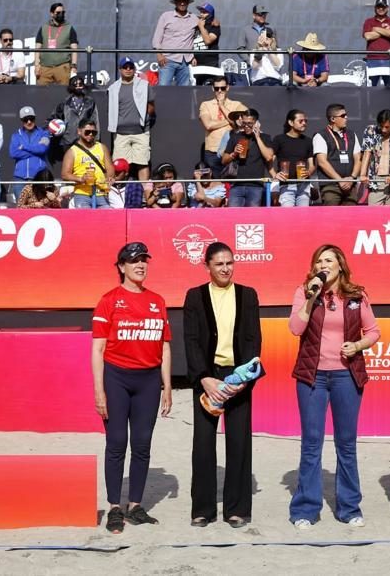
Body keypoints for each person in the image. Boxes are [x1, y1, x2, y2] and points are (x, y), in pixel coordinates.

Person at [288, 244, 381, 528]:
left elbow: (374, 331)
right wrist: (309, 297)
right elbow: (295, 329)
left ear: (340, 264)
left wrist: (358, 345)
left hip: (346, 376)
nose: (323, 265)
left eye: (328, 260)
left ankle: (350, 508)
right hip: (312, 376)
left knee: (346, 444)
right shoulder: (305, 291)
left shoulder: (356, 295)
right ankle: (305, 509)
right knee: (311, 444)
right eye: (319, 261)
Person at [92, 242, 172, 534]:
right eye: (134, 260)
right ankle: (115, 507)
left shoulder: (157, 301)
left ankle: (135, 506)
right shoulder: (108, 300)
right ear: (121, 266)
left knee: (141, 444)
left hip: (149, 381)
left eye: (144, 260)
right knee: (116, 443)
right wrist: (99, 390)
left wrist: (167, 385)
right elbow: (98, 348)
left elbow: (164, 345)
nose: (140, 265)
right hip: (117, 378)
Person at [183, 242, 262, 529]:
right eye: (219, 264)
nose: (225, 268)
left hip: (239, 377)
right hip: (207, 377)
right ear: (207, 267)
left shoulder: (248, 294)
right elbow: (190, 340)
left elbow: (254, 339)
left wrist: (243, 380)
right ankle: (203, 509)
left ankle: (236, 508)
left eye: (229, 262)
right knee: (203, 444)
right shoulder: (194, 296)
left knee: (239, 442)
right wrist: (204, 378)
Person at [108, 57, 153, 182]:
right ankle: (119, 193)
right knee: (119, 165)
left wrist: (144, 118)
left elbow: (151, 105)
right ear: (120, 69)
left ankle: (145, 191)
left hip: (141, 131)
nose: (128, 70)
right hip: (121, 133)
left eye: (131, 67)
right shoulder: (113, 88)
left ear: (134, 69)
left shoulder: (144, 85)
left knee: (142, 163)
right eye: (125, 67)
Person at [222, 109, 273, 207]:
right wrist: (234, 153)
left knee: (253, 217)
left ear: (256, 123)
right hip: (236, 185)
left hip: (256, 185)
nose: (246, 126)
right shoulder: (235, 137)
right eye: (244, 123)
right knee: (233, 216)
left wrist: (257, 137)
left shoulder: (265, 137)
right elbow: (224, 160)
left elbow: (268, 157)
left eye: (249, 124)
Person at [313, 104, 361, 206]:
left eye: (346, 115)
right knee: (331, 218)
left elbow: (358, 158)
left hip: (350, 184)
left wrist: (352, 178)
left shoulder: (352, 134)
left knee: (351, 218)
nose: (346, 118)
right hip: (330, 186)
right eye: (343, 116)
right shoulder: (321, 136)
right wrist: (339, 180)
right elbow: (322, 162)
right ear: (333, 119)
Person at [199, 77, 247, 175]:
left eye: (222, 88)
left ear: (227, 87)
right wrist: (232, 120)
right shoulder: (205, 105)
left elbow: (245, 121)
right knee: (216, 184)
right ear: (213, 88)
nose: (220, 91)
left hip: (232, 151)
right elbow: (208, 125)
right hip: (212, 151)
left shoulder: (236, 105)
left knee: (231, 183)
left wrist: (221, 105)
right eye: (217, 88)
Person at [62, 119, 114, 209]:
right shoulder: (72, 151)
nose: (90, 134)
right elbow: (65, 174)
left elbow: (110, 169)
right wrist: (81, 179)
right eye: (87, 132)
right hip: (82, 193)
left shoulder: (102, 147)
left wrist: (109, 178)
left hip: (101, 192)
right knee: (85, 219)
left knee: (107, 218)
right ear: (79, 131)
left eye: (94, 132)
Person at [359, 109, 390, 206]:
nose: (384, 129)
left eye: (387, 127)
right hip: (376, 181)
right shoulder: (370, 130)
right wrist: (363, 174)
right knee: (373, 215)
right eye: (381, 126)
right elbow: (367, 153)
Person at [270, 109, 314, 208]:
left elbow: (312, 164)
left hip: (304, 186)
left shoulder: (308, 141)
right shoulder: (279, 139)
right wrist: (274, 175)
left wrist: (309, 172)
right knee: (287, 217)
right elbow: (269, 160)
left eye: (305, 121)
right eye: (300, 121)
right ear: (290, 122)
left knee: (304, 217)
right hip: (286, 185)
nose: (304, 123)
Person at [153, 0, 197, 87]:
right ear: (175, 3)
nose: (182, 3)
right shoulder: (165, 16)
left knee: (184, 92)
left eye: (184, 1)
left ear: (188, 3)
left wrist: (215, 21)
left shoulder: (194, 18)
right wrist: (159, 55)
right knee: (163, 89)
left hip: (185, 61)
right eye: (179, 1)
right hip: (167, 60)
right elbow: (157, 38)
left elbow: (207, 21)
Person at [51, 74, 100, 159]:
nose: (78, 87)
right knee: (69, 166)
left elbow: (95, 121)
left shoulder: (90, 102)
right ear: (71, 87)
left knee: (84, 164)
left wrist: (96, 139)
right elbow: (54, 118)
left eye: (80, 84)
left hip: (85, 138)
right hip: (68, 139)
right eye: (75, 85)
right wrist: (49, 132)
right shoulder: (65, 103)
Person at [9, 106, 51, 200]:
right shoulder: (16, 135)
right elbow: (13, 153)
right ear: (21, 120)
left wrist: (24, 147)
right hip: (20, 178)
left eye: (31, 119)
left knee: (40, 205)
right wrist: (35, 150)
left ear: (35, 118)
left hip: (39, 177)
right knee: (21, 207)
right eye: (25, 119)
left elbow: (42, 149)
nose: (29, 122)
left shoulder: (44, 133)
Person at [34, 3, 79, 86]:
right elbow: (37, 47)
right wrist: (37, 65)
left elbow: (74, 48)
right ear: (51, 14)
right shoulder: (44, 27)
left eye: (63, 12)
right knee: (41, 93)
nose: (61, 15)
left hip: (62, 66)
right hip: (45, 67)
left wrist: (74, 66)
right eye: (58, 13)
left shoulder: (69, 28)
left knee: (63, 92)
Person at [363, 0, 390, 86]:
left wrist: (376, 29)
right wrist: (386, 31)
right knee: (371, 90)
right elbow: (368, 36)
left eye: (383, 7)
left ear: (387, 8)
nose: (380, 9)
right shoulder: (369, 21)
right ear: (375, 8)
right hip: (372, 59)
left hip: (389, 60)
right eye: (378, 7)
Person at [192, 2, 222, 86]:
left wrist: (201, 27)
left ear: (210, 14)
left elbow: (208, 41)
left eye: (204, 12)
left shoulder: (214, 26)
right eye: (201, 11)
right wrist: (192, 56)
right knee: (197, 91)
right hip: (197, 65)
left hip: (210, 64)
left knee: (210, 89)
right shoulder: (196, 26)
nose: (201, 14)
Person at [238, 4, 270, 78]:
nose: (263, 16)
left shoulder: (270, 29)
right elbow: (240, 48)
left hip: (268, 67)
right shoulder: (245, 30)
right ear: (253, 15)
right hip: (253, 67)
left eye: (264, 14)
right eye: (260, 14)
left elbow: (276, 47)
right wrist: (249, 61)